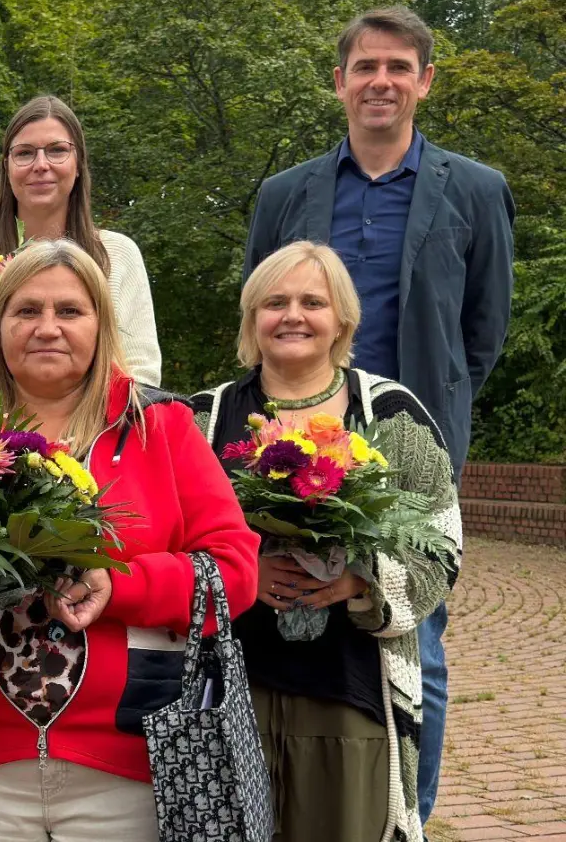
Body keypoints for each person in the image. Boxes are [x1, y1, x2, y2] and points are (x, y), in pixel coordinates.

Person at [0, 241, 259, 842]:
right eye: (26, 311)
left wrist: (120, 585)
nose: (48, 328)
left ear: (100, 324)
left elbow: (235, 570)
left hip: (129, 751)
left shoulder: (162, 427)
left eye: (70, 311)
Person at [243, 6, 514, 821]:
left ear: (425, 80)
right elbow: (264, 309)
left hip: (404, 449)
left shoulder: (474, 189)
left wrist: (422, 419)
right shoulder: (285, 193)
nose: (382, 82)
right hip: (291, 443)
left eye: (399, 67)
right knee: (284, 617)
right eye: (366, 67)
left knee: (413, 641)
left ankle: (408, 819)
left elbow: (482, 333)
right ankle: (287, 806)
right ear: (340, 83)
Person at [189, 241, 461, 842]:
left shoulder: (393, 413)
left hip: (351, 694)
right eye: (274, 302)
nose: (292, 315)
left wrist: (361, 582)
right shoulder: (201, 418)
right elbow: (160, 538)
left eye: (313, 302)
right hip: (228, 689)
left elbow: (441, 544)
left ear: (342, 320)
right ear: (251, 318)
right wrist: (240, 577)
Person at [0, 95, 161, 413]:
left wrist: (64, 416)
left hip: (92, 444)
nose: (41, 165)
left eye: (56, 150)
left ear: (78, 164)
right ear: (7, 167)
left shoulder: (117, 255)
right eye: (25, 153)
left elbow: (143, 375)